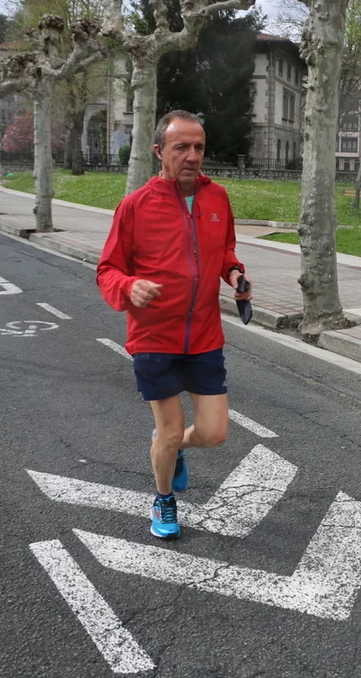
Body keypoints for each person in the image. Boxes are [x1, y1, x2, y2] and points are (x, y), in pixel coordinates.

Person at [97, 110, 251, 540]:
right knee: (167, 432)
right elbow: (107, 269)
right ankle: (163, 499)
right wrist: (129, 286)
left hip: (204, 335)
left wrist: (234, 273)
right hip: (154, 338)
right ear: (159, 151)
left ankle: (173, 446)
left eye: (198, 147)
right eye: (181, 147)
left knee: (214, 433)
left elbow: (224, 251)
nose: (192, 156)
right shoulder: (135, 206)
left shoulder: (217, 198)